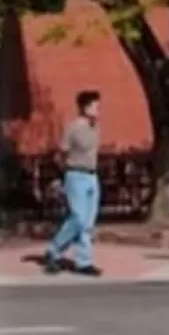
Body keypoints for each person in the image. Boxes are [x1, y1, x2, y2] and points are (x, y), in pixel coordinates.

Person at [40, 90, 103, 278]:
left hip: (92, 176)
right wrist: (61, 176)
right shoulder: (73, 128)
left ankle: (84, 261)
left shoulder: (95, 128)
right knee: (78, 218)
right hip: (76, 175)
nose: (98, 110)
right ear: (85, 108)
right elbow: (61, 153)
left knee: (88, 222)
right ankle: (53, 250)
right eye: (95, 106)